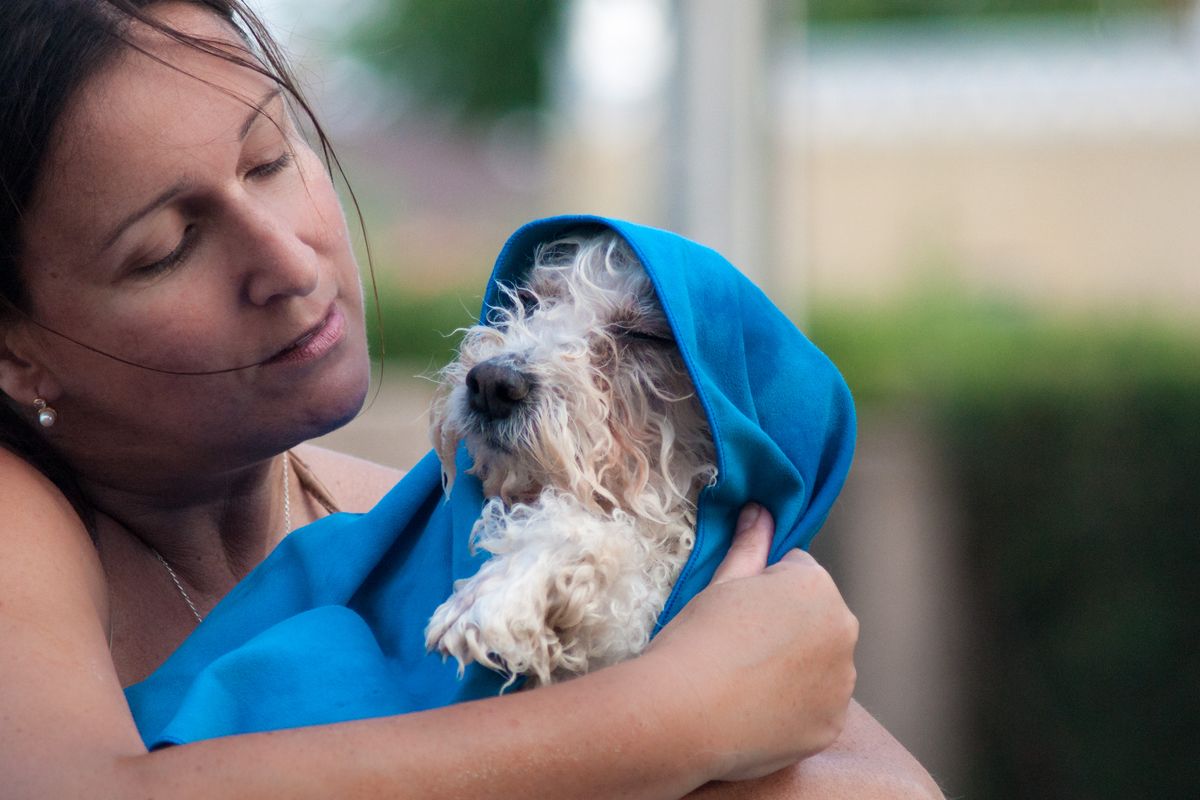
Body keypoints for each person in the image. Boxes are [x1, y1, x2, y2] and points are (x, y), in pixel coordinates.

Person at [0, 1, 941, 797]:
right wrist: (678, 715)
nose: (289, 262)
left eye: (269, 159)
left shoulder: (459, 517)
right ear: (15, 354)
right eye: (167, 245)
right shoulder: (23, 523)